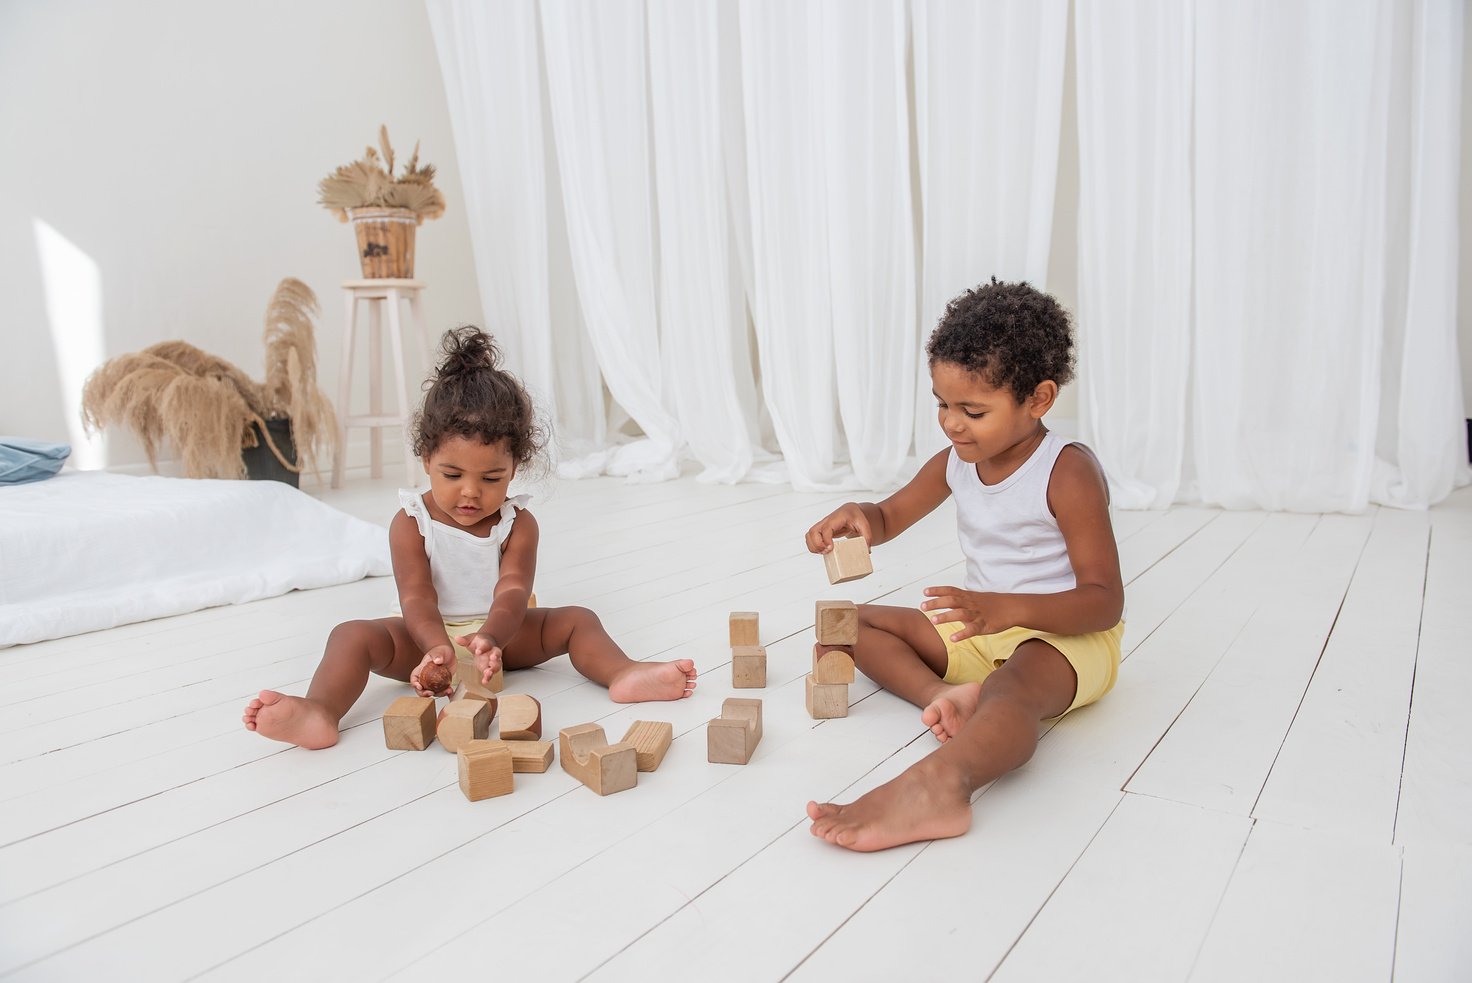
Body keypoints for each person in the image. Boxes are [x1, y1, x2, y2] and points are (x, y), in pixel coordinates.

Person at [244, 326, 697, 749]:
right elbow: (416, 596)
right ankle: (320, 710)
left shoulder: (517, 522)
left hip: (503, 634)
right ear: (425, 458)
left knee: (578, 620)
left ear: (514, 469)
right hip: (424, 637)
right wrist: (435, 647)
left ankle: (623, 673)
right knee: (350, 635)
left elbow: (514, 588)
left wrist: (492, 639)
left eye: (491, 477)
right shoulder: (411, 521)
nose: (470, 492)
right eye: (453, 473)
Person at [803, 279, 1124, 851]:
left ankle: (945, 783)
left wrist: (1007, 609)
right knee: (849, 625)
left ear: (1039, 399)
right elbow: (891, 513)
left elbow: (1105, 600)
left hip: (1064, 637)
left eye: (973, 410)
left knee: (1014, 686)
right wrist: (861, 520)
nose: (952, 423)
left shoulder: (1066, 470)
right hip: (981, 626)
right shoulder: (956, 461)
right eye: (943, 405)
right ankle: (942, 699)